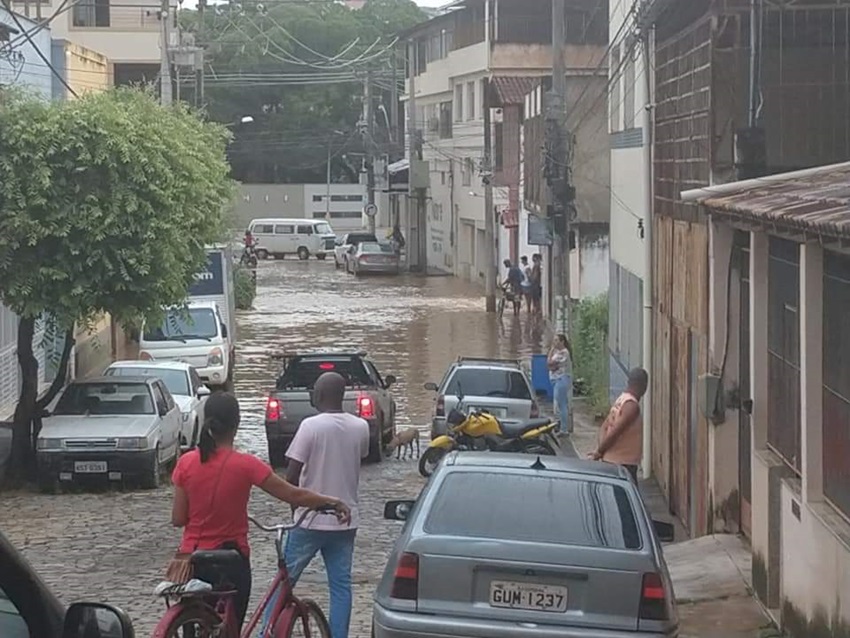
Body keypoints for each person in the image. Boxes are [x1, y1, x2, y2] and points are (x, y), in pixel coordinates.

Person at [170, 392, 349, 631]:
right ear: (237, 424)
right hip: (229, 560)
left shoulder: (186, 462)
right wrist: (332, 501)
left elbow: (178, 518)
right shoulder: (246, 465)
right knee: (231, 627)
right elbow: (293, 494)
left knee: (199, 622)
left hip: (191, 559)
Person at [280, 371, 370, 638]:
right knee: (341, 586)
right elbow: (359, 458)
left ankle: (267, 632)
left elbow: (291, 475)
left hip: (309, 519)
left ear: (318, 395)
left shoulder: (311, 426)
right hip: (345, 522)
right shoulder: (360, 427)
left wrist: (295, 509)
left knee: (284, 583)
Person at [588, 367, 649, 483]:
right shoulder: (631, 406)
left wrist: (601, 450)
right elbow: (615, 432)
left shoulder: (621, 400)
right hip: (623, 463)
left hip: (611, 459)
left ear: (628, 382)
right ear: (644, 386)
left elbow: (605, 427)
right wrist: (599, 452)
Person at [547, 334, 573, 434]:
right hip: (557, 379)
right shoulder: (558, 352)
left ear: (562, 342)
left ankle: (564, 429)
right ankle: (561, 426)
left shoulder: (564, 353)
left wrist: (551, 351)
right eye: (554, 340)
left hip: (561, 380)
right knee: (561, 404)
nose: (555, 342)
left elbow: (549, 363)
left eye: (557, 340)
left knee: (561, 404)